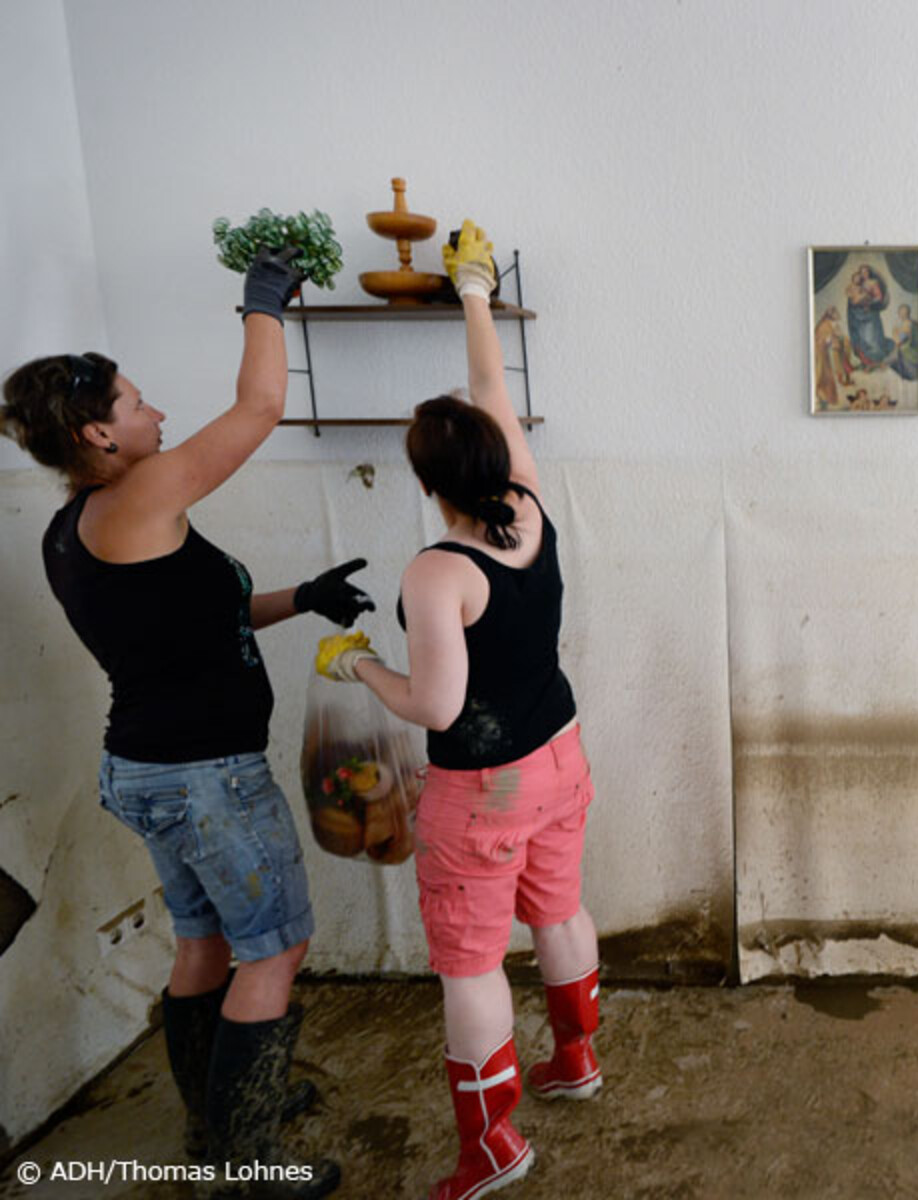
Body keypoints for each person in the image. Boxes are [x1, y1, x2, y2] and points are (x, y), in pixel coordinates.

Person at [1, 247, 369, 1198]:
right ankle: (247, 1165)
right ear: (99, 432)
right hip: (206, 779)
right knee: (276, 947)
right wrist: (261, 306)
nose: (157, 412)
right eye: (136, 403)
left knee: (206, 945)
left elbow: (196, 620)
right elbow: (256, 412)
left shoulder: (82, 523)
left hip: (150, 771)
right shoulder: (140, 496)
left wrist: (303, 598)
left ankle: (220, 1117)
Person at [316, 221, 602, 1200]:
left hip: (482, 791)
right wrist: (473, 290)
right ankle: (578, 1061)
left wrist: (360, 665)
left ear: (429, 483)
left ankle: (494, 1149)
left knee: (470, 967)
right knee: (559, 910)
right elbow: (494, 399)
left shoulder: (439, 570)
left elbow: (433, 703)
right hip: (561, 754)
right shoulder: (530, 505)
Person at [845, 264, 895, 368]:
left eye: (865, 272)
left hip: (870, 315)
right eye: (861, 272)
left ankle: (876, 361)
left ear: (869, 272)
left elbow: (879, 298)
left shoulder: (873, 283)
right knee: (862, 338)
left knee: (871, 338)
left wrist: (869, 303)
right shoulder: (859, 284)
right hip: (859, 315)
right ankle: (866, 361)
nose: (863, 274)